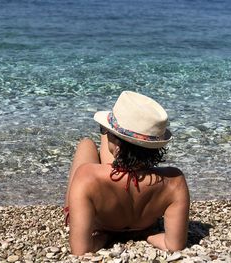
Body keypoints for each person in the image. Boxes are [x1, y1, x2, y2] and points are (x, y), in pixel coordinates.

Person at [64, 91, 190, 255]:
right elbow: (173, 246)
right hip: (141, 223)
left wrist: (106, 237)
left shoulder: (87, 176)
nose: (105, 133)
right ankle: (127, 148)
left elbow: (81, 250)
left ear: (117, 146)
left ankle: (115, 146)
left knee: (86, 144)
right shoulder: (175, 181)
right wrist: (147, 235)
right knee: (116, 154)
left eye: (105, 130)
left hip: (101, 223)